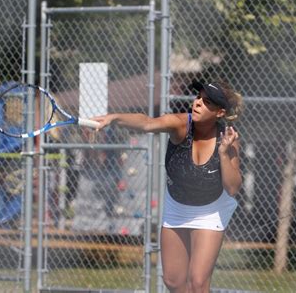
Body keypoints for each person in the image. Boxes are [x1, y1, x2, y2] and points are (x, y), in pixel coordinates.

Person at [92, 80, 243, 292]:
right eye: (198, 97)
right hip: (178, 205)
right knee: (173, 281)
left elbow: (233, 187)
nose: (198, 103)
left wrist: (223, 154)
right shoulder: (180, 124)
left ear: (219, 112)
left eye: (206, 101)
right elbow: (146, 123)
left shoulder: (227, 139)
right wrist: (115, 118)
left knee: (198, 282)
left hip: (211, 208)